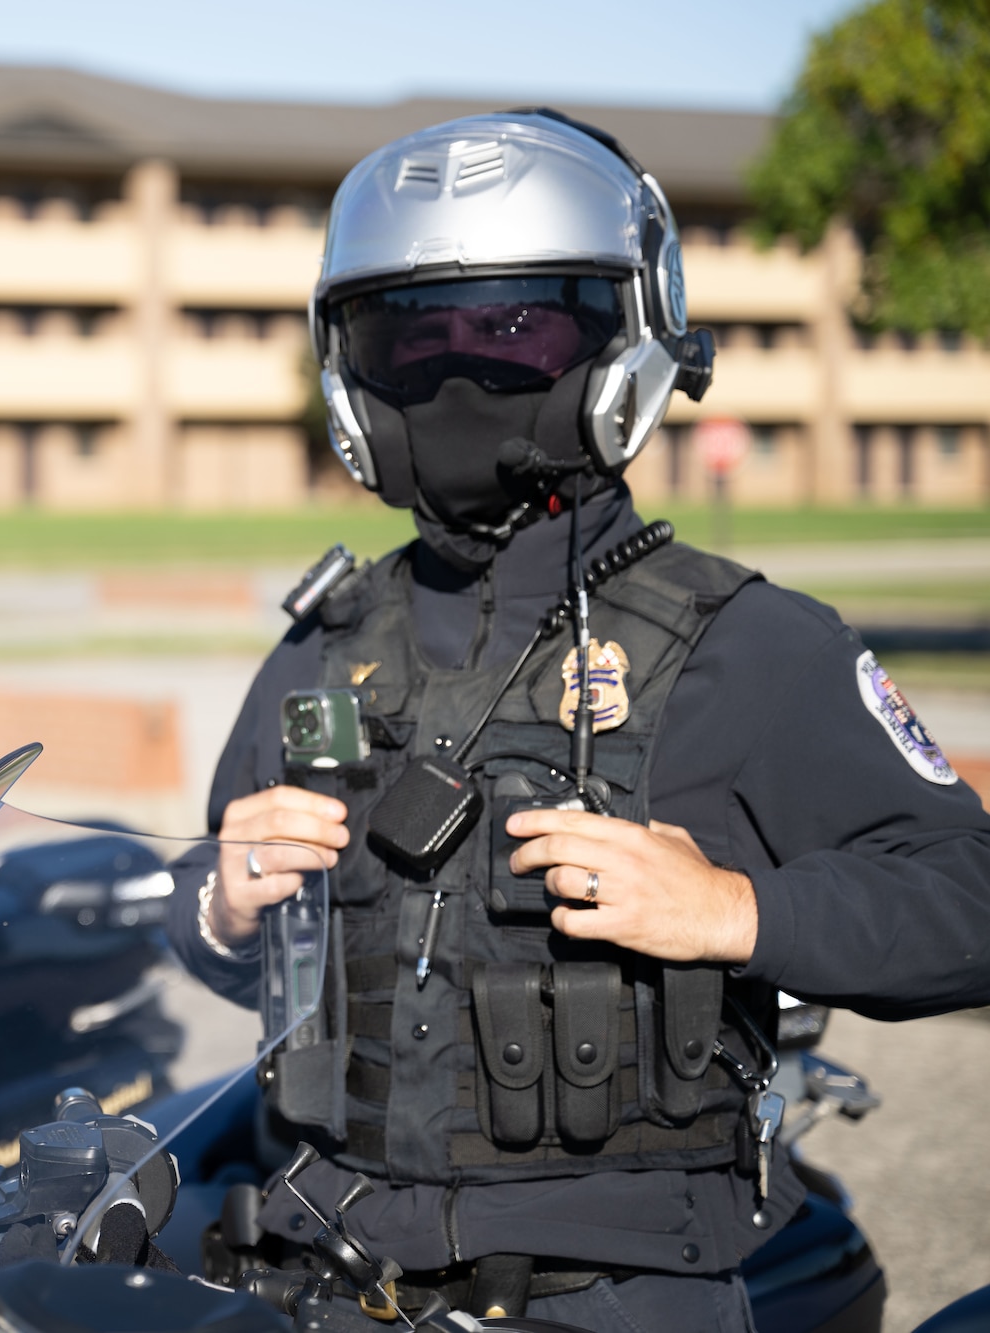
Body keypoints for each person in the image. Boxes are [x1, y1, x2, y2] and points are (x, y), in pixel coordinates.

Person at [167, 109, 990, 1332]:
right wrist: (216, 903)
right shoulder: (325, 646)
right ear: (348, 369)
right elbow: (228, 926)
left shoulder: (748, 644)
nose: (457, 375)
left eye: (512, 330)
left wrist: (733, 911)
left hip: (613, 1293)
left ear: (624, 337)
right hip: (311, 1270)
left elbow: (966, 903)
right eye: (408, 337)